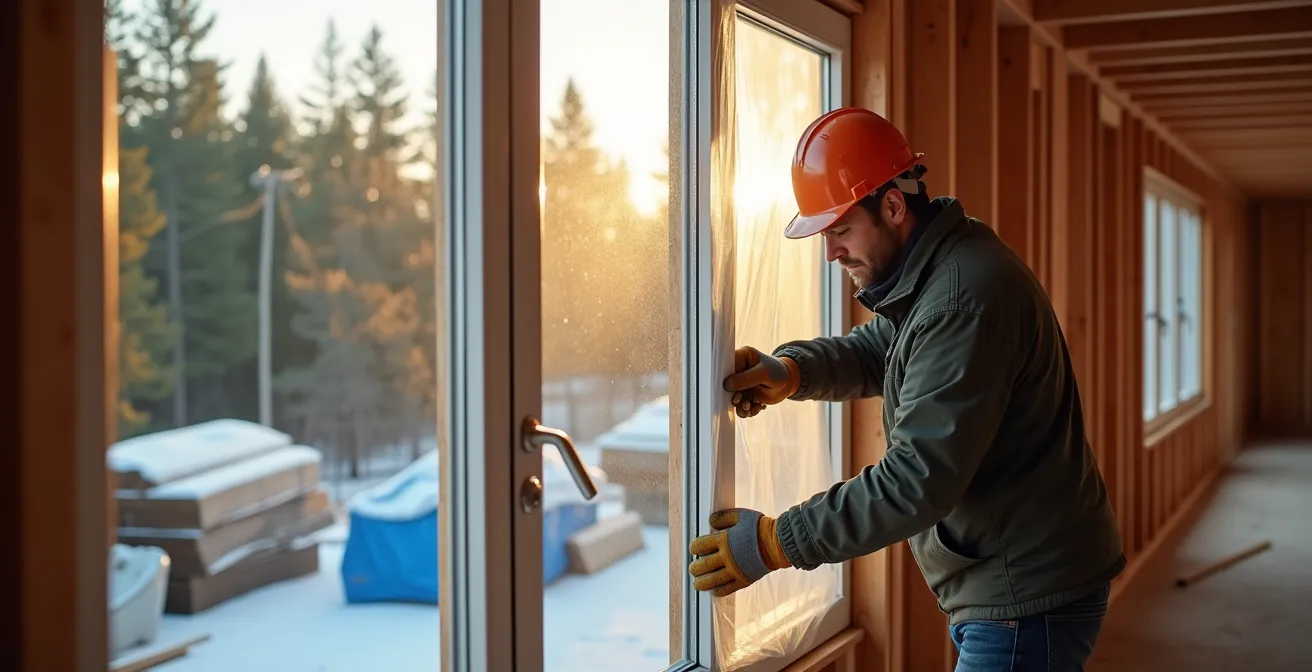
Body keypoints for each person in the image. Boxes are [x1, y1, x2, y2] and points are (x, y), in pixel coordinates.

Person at [687, 107, 1125, 671]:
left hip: (1026, 593)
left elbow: (916, 479)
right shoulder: (946, 266)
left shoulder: (960, 299)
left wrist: (777, 542)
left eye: (840, 230)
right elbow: (888, 349)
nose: (830, 252)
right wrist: (793, 371)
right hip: (1022, 575)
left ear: (892, 206)